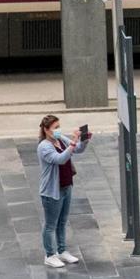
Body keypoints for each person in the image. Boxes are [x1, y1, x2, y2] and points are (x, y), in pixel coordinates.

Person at [37, 115, 89, 269]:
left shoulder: (61, 140)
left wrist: (83, 139)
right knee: (50, 224)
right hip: (52, 191)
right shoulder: (44, 147)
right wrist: (73, 142)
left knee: (62, 221)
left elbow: (77, 149)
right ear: (46, 130)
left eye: (59, 126)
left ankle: (62, 250)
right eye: (55, 128)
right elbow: (60, 158)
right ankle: (49, 254)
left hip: (66, 186)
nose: (58, 130)